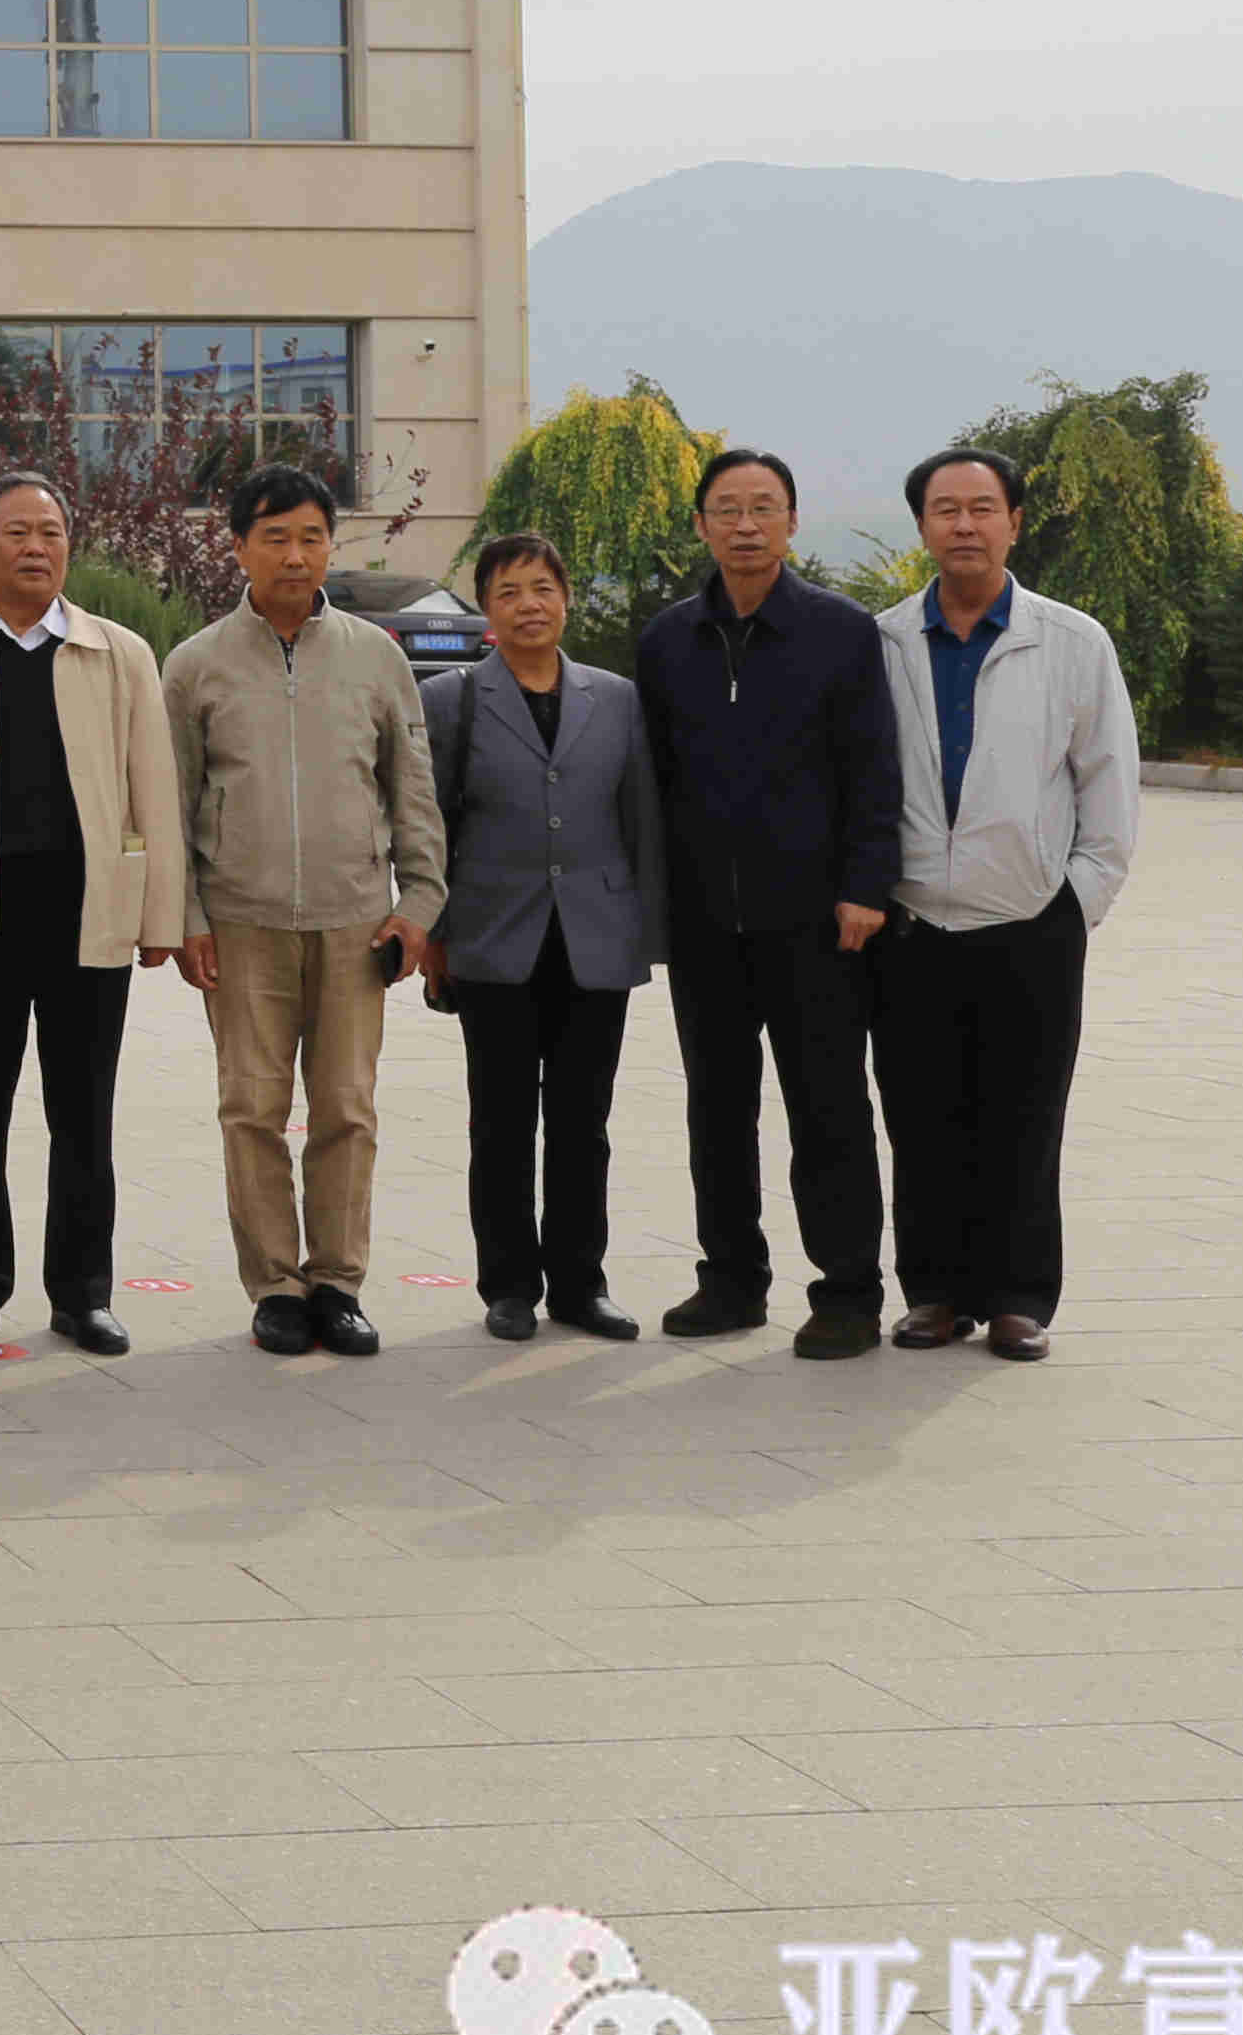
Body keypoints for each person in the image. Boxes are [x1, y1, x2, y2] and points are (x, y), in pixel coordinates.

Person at [164, 465, 447, 1359]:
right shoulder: (196, 664)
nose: (295, 555)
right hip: (241, 922)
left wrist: (420, 901)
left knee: (347, 1109)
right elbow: (172, 805)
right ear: (238, 546)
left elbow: (412, 790)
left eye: (312, 537)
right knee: (251, 1108)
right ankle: (277, 1287)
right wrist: (187, 915)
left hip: (355, 920)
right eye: (276, 537)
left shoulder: (376, 656)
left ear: (331, 546)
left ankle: (337, 1282)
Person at [629, 444, 901, 1358]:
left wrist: (865, 886)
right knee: (717, 1110)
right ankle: (732, 1281)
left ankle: (849, 1293)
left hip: (818, 923)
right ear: (701, 525)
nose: (745, 526)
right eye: (727, 510)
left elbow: (874, 769)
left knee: (828, 1109)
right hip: (706, 923)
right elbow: (653, 782)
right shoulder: (668, 640)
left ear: (791, 521)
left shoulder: (840, 631)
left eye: (763, 508)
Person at [0, 476, 180, 1355]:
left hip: (86, 917)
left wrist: (161, 918)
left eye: (51, 532)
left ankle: (83, 1294)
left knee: (83, 1113)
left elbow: (154, 788)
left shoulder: (120, 653)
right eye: (17, 532)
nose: (35, 547)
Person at [871, 447, 1139, 1362]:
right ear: (922, 526)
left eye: (982, 508)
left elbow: (1109, 783)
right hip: (913, 925)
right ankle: (935, 1292)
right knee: (920, 1116)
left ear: (1014, 523)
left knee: (1026, 1116)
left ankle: (1021, 1296)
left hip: (1032, 924)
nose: (965, 525)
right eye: (945, 509)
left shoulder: (1072, 641)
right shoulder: (883, 642)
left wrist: (1077, 901)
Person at [416, 532, 663, 1342]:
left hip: (595, 936)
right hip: (493, 936)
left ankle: (581, 1285)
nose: (529, 605)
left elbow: (640, 819)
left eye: (543, 588)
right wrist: (434, 935)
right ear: (486, 609)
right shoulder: (451, 699)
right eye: (510, 591)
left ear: (567, 599)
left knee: (584, 1124)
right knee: (501, 1122)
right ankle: (510, 1286)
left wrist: (646, 932)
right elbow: (429, 826)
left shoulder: (617, 699)